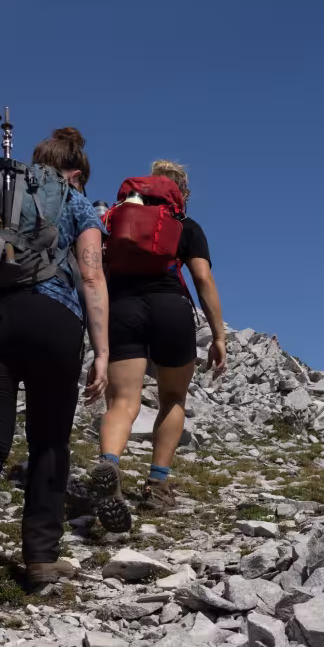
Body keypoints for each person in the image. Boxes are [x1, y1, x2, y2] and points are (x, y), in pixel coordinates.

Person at [0, 127, 110, 616]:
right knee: (49, 441)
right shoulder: (76, 203)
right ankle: (41, 558)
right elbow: (93, 275)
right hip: (51, 320)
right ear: (75, 171)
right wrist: (101, 349)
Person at [87, 159, 227, 531]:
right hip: (170, 308)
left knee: (122, 402)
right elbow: (202, 278)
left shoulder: (114, 223)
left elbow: (93, 273)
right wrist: (218, 335)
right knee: (172, 399)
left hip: (122, 308)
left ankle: (110, 463)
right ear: (180, 194)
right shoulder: (184, 226)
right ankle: (157, 483)